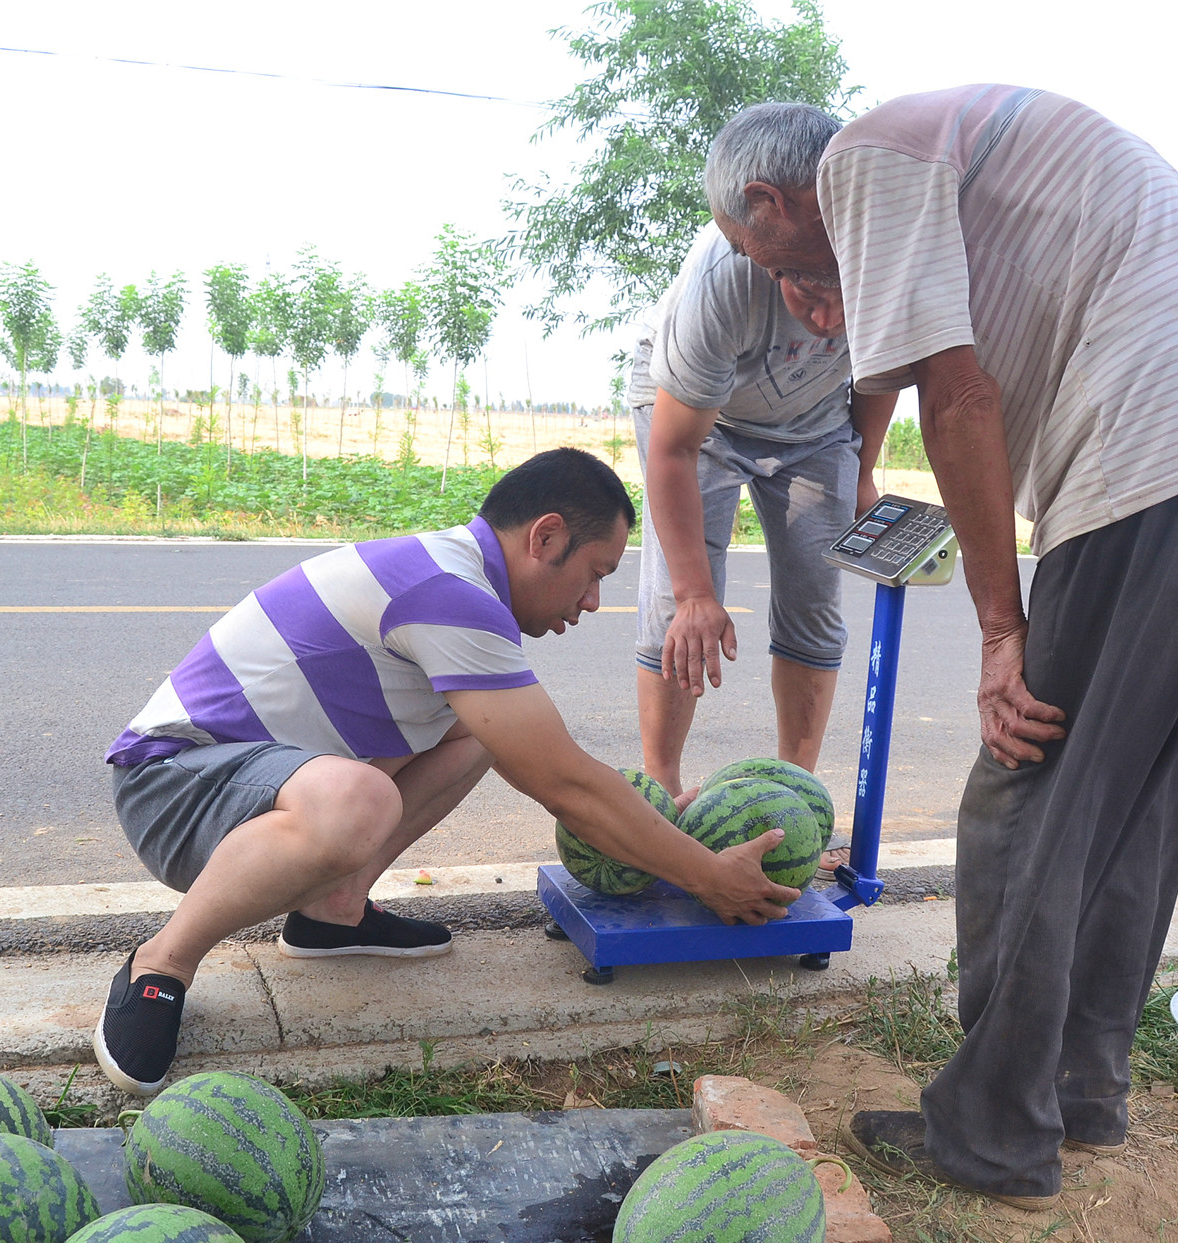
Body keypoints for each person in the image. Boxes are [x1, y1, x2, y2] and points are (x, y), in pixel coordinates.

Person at [704, 91, 1178, 1209]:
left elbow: (961, 395)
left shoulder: (866, 159)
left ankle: (993, 1134)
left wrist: (1001, 630)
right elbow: (907, 369)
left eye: (761, 254)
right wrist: (866, 435)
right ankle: (1081, 1088)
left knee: (1023, 782)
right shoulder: (940, 148)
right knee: (1128, 795)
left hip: (1149, 453)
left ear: (767, 202)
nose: (780, 286)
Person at [94, 447, 799, 1097]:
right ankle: (161, 964)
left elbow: (544, 755)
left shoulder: (451, 576)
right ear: (545, 538)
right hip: (175, 786)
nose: (591, 603)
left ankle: (333, 912)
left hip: (247, 777)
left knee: (482, 732)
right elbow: (566, 783)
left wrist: (662, 834)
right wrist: (706, 873)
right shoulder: (447, 593)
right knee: (359, 800)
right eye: (595, 575)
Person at [630, 159, 895, 824]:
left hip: (816, 425)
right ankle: (659, 794)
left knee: (815, 598)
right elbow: (673, 447)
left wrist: (862, 472)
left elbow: (882, 375)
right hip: (696, 422)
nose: (830, 319)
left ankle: (792, 796)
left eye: (846, 298)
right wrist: (695, 594)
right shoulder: (723, 278)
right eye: (810, 296)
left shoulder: (890, 256)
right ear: (776, 266)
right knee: (676, 605)